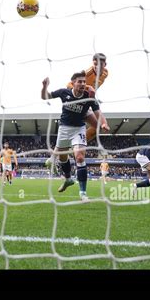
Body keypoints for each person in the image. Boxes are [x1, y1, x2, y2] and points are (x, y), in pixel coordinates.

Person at [41, 71, 109, 202]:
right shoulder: (64, 93)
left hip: (79, 129)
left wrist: (104, 123)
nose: (83, 84)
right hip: (64, 129)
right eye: (80, 81)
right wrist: (44, 86)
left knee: (79, 157)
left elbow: (98, 112)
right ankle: (67, 179)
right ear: (73, 84)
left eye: (84, 81)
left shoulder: (89, 97)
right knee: (63, 157)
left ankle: (83, 193)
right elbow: (45, 97)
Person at [67, 53, 109, 142]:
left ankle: (77, 143)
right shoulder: (87, 73)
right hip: (76, 104)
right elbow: (69, 85)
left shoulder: (105, 73)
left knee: (98, 127)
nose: (97, 66)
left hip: (86, 104)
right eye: (95, 64)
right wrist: (86, 87)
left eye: (100, 64)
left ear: (105, 64)